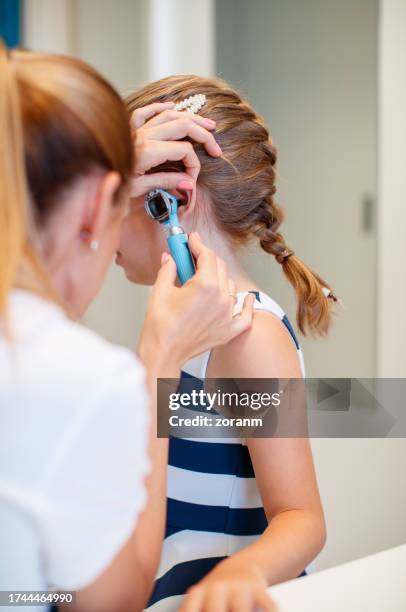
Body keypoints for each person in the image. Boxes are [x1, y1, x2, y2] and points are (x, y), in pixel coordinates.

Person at [0, 45, 255, 612]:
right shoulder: (84, 379)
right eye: (121, 203)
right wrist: (159, 360)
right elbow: (108, 603)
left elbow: (301, 505)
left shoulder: (251, 333)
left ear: (173, 201)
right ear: (96, 207)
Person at [118, 74, 339, 612]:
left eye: (115, 197)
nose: (99, 226)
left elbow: (301, 517)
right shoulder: (180, 323)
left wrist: (238, 576)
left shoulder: (248, 336)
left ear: (166, 203)